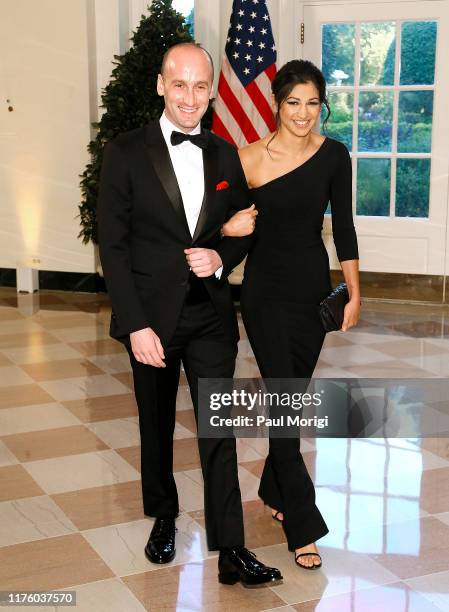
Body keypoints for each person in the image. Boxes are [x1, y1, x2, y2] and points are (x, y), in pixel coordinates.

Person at [97, 42, 282, 588]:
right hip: (151, 319)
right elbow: (113, 246)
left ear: (211, 91)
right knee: (154, 426)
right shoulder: (125, 152)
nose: (190, 98)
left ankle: (231, 549)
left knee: (218, 430)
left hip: (209, 315)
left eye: (201, 86)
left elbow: (245, 226)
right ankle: (163, 516)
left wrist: (221, 256)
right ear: (160, 85)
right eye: (180, 85)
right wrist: (134, 324)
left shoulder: (224, 155)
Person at [222, 59, 360, 570]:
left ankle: (272, 487)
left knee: (291, 398)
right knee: (284, 404)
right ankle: (303, 523)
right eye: (292, 102)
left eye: (311, 103)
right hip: (263, 295)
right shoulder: (249, 158)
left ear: (321, 106)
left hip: (311, 292)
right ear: (276, 104)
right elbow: (230, 228)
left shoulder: (334, 156)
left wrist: (354, 293)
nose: (302, 114)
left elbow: (343, 229)